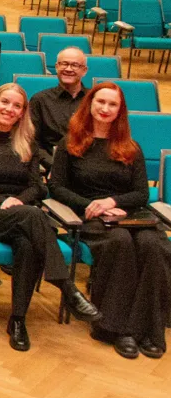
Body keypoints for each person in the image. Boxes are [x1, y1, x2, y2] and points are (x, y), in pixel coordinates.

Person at [0, 83, 101, 351]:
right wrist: (5, 201)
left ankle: (17, 320)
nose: (9, 109)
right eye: (5, 103)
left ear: (22, 112)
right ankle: (67, 288)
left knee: (28, 243)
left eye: (17, 106)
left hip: (22, 214)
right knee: (34, 217)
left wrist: (19, 201)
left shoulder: (27, 143)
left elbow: (38, 187)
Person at [50, 83, 169, 359]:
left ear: (120, 110)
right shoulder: (70, 143)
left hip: (127, 213)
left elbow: (141, 192)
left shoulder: (130, 146)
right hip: (90, 215)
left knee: (155, 245)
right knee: (120, 243)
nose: (105, 109)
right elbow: (57, 187)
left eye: (112, 105)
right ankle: (113, 328)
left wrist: (114, 202)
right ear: (89, 104)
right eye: (100, 102)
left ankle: (150, 329)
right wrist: (91, 206)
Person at [29, 47, 89, 156]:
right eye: (64, 64)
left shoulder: (94, 100)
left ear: (84, 70)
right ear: (56, 67)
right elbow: (32, 142)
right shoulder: (40, 100)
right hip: (51, 165)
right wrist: (52, 166)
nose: (68, 69)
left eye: (75, 65)